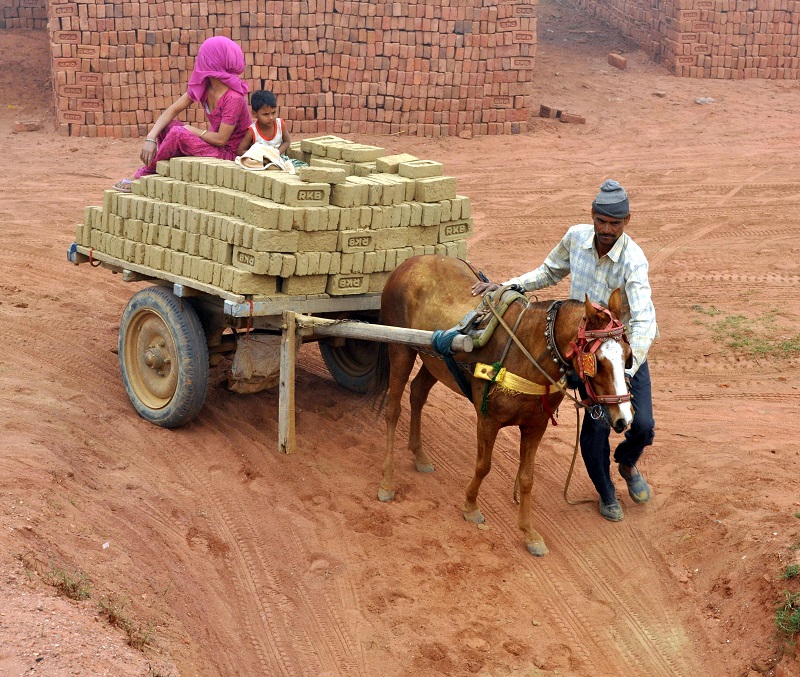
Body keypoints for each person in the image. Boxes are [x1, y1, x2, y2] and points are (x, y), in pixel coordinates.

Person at [471, 179, 658, 522]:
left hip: (617, 354)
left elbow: (645, 320)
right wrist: (508, 286)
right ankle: (606, 492)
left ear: (627, 221)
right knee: (597, 426)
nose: (606, 229)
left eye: (614, 223)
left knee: (642, 425)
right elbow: (548, 272)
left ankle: (628, 462)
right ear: (592, 215)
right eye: (601, 220)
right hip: (579, 351)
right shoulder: (576, 237)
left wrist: (626, 371)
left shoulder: (633, 260)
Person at [113, 35, 252, 192]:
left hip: (228, 153)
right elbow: (172, 110)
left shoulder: (233, 98)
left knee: (178, 133)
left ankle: (144, 173)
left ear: (211, 61)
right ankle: (166, 167)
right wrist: (151, 138)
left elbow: (221, 140)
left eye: (203, 57)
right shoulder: (205, 86)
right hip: (212, 144)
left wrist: (190, 129)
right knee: (168, 127)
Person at [236, 90, 291, 157]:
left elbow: (287, 142)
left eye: (273, 113)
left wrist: (277, 153)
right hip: (260, 163)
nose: (271, 117)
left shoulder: (280, 124)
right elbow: (240, 151)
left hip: (279, 160)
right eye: (265, 114)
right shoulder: (252, 131)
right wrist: (260, 156)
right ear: (254, 114)